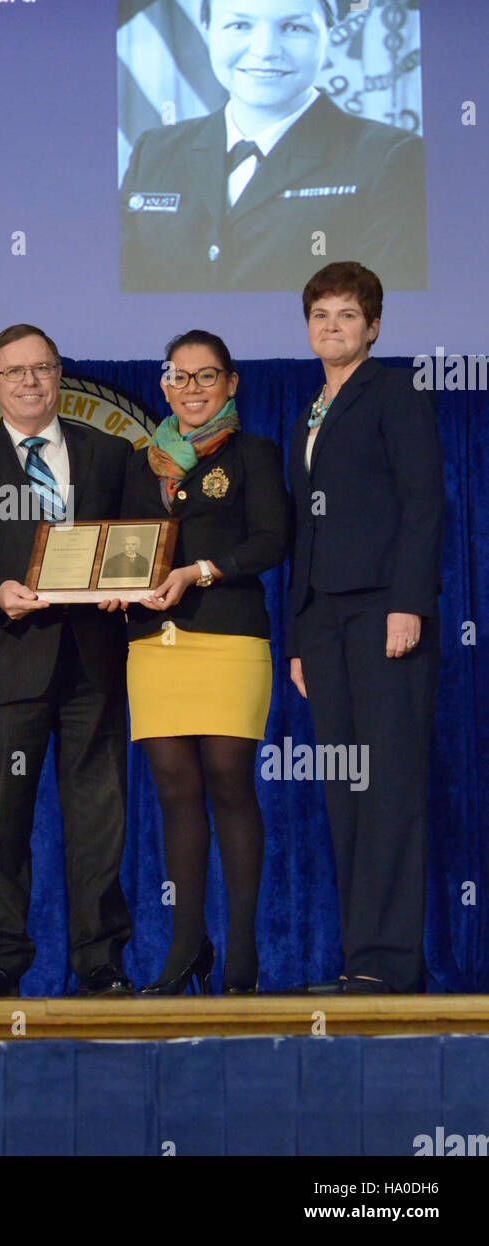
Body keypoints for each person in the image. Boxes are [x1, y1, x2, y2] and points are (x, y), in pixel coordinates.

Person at [0, 325, 134, 998]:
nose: (28, 381)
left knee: (99, 821)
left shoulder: (111, 453)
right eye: (13, 371)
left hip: (94, 664)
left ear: (59, 374)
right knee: (2, 824)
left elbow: (141, 545)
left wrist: (123, 592)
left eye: (41, 368)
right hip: (6, 663)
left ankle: (100, 963)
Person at [111, 330, 289, 995]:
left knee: (229, 782)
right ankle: (187, 946)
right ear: (164, 385)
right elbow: (124, 548)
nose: (192, 388)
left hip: (228, 638)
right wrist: (117, 588)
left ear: (232, 383)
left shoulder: (254, 455)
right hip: (152, 643)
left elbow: (274, 538)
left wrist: (201, 571)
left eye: (206, 376)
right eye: (179, 377)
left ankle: (241, 952)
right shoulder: (138, 463)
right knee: (174, 790)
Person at [287, 261, 443, 995]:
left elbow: (423, 503)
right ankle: (359, 962)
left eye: (346, 315)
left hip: (385, 611)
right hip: (325, 623)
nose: (332, 328)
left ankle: (390, 963)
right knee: (345, 787)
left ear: (373, 326)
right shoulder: (310, 411)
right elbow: (302, 532)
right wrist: (299, 633)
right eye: (321, 315)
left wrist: (408, 602)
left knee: (389, 787)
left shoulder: (397, 392)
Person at [120, 0, 426, 293]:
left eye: (294, 28)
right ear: (207, 32)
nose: (265, 49)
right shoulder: (154, 152)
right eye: (239, 25)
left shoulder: (390, 158)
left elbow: (391, 313)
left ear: (329, 34)